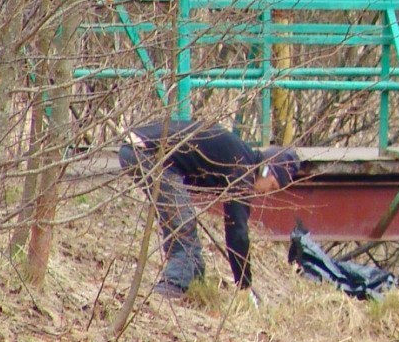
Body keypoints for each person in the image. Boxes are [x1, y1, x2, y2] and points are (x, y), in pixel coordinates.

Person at [118, 121, 300, 300]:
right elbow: (237, 231)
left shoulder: (240, 157)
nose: (268, 192)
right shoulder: (242, 169)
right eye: (273, 185)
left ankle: (195, 285)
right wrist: (244, 284)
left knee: (181, 220)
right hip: (145, 153)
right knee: (184, 228)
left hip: (142, 151)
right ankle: (172, 286)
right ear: (267, 170)